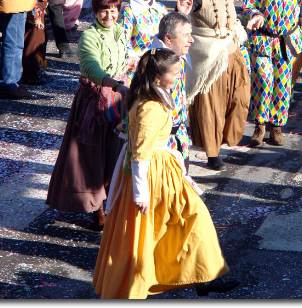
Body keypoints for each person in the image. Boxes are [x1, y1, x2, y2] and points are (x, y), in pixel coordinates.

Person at [92, 48, 239, 299]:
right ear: (158, 77)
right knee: (147, 233)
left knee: (189, 219)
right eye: (175, 72)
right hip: (154, 175)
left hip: (163, 169)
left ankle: (202, 277)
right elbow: (140, 153)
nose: (178, 75)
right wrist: (140, 193)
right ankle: (133, 289)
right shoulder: (151, 106)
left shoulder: (153, 95)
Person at [46, 0, 130, 230]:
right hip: (95, 100)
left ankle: (113, 201)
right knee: (93, 155)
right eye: (104, 10)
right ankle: (98, 208)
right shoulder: (88, 37)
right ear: (95, 12)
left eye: (113, 10)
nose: (109, 15)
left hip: (119, 98)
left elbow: (124, 59)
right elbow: (91, 67)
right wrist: (115, 84)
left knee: (116, 152)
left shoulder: (120, 31)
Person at [185, 0, 250, 171]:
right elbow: (187, 8)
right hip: (210, 58)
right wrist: (183, 10)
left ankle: (225, 139)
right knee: (211, 107)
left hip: (232, 52)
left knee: (239, 98)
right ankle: (212, 154)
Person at [243, 0, 302, 146]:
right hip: (263, 39)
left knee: (283, 83)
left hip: (286, 41)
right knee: (263, 80)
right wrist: (254, 14)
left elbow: (300, 4)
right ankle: (259, 125)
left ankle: (276, 127)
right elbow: (248, 5)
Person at [151, 12, 194, 173]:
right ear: (168, 39)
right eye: (186, 35)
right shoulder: (153, 63)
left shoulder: (176, 56)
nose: (191, 40)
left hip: (180, 138)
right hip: (162, 144)